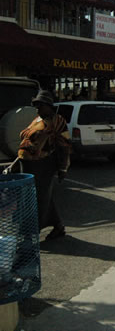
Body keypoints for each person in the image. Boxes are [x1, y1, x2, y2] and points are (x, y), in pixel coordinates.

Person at [16, 90, 71, 241]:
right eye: (36, 105)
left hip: (43, 165)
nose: (37, 108)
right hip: (27, 165)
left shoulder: (58, 121)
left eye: (40, 105)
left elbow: (65, 145)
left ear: (49, 106)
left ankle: (31, 234)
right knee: (40, 197)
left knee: (38, 199)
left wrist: (63, 168)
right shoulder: (37, 119)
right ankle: (58, 226)